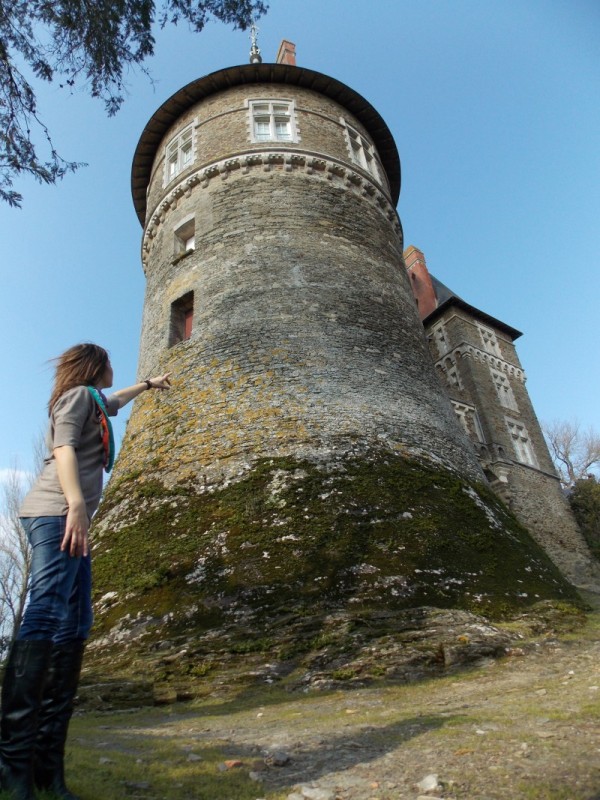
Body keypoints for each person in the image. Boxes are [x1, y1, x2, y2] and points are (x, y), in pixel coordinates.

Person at [0, 343, 171, 800]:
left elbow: (113, 403)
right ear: (95, 366)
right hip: (55, 511)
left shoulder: (95, 400)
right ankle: (12, 765)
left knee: (76, 625)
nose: (117, 368)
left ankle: (46, 766)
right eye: (110, 362)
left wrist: (149, 384)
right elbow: (62, 448)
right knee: (46, 613)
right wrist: (76, 504)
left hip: (71, 516)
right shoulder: (76, 396)